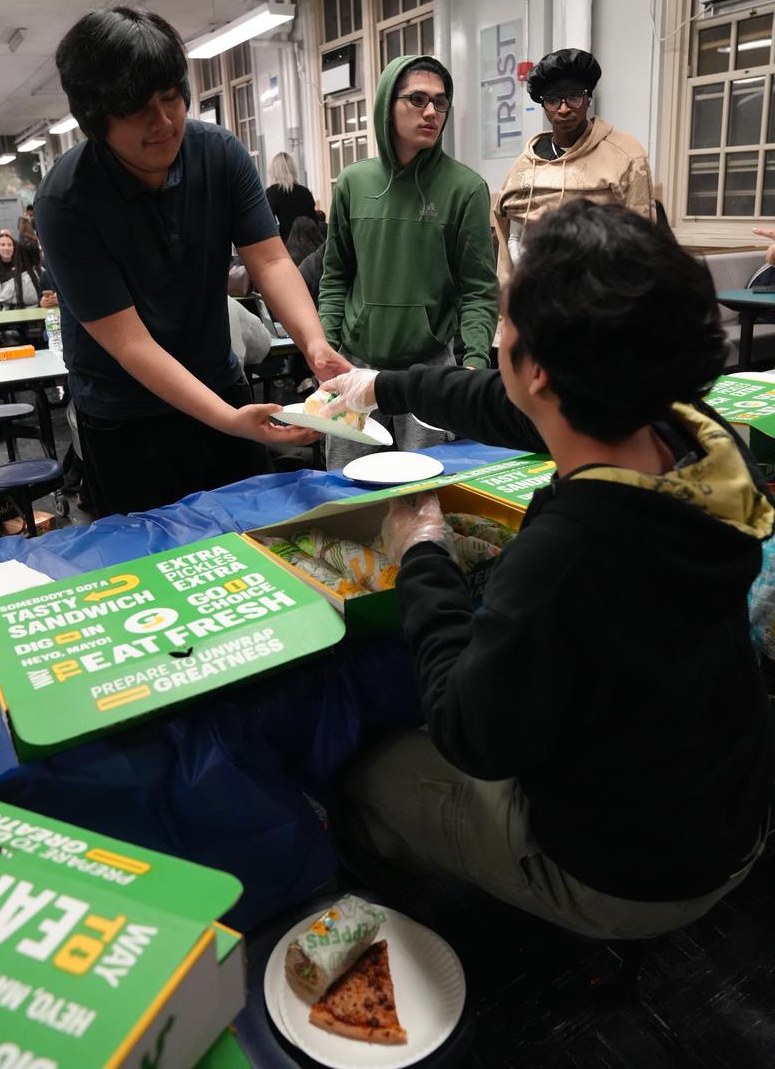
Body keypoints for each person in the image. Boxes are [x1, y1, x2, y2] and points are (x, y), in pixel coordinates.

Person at [320, 199, 773, 941]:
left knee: (370, 775)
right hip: (731, 810)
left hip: (634, 876)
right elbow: (509, 407)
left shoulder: (570, 556)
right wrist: (382, 385)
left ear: (537, 371)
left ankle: (412, 932)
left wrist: (424, 553)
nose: (498, 333)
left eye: (505, 320)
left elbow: (471, 730)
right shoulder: (694, 436)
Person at [34, 6, 349, 517]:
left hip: (218, 380)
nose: (163, 122)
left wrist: (315, 346)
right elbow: (131, 344)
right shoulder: (65, 201)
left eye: (171, 97)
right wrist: (227, 418)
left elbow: (270, 261)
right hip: (125, 413)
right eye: (139, 108)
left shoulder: (219, 154)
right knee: (156, 563)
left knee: (257, 535)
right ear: (96, 117)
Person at [318, 54, 498, 471]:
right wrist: (324, 351)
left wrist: (474, 362)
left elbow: (479, 289)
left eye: (440, 102)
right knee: (348, 489)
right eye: (417, 99)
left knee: (431, 488)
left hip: (430, 368)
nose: (432, 111)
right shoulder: (353, 183)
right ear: (387, 104)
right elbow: (336, 276)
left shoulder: (466, 189)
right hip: (355, 363)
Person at [494, 48, 655, 285]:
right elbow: (512, 238)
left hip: (601, 293)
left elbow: (640, 239)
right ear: (543, 105)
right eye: (552, 100)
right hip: (536, 291)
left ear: (588, 98)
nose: (563, 108)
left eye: (573, 97)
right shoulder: (526, 164)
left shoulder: (625, 155)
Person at [265, 152, 317, 244]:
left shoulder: (272, 192)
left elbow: (268, 223)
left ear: (274, 171)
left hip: (287, 243)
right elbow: (314, 221)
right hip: (310, 243)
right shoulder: (305, 191)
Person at [0, 232, 42, 307]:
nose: (7, 248)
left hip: (21, 302)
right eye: (2, 245)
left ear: (14, 247)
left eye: (10, 245)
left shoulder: (21, 262)